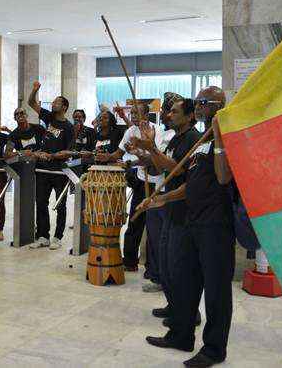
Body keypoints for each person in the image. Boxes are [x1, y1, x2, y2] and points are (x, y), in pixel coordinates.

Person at [143, 86, 234, 368]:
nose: (198, 106)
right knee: (185, 280)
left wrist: (219, 133)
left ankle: (214, 349)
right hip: (193, 220)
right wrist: (163, 198)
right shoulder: (200, 142)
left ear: (218, 105)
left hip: (216, 225)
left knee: (217, 291)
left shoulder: (225, 135)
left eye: (203, 102)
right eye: (198, 102)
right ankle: (181, 335)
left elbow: (222, 177)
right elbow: (190, 183)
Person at [134, 98, 203, 325]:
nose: (168, 115)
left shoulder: (193, 139)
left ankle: (189, 313)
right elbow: (161, 165)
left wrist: (152, 147)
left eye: (174, 112)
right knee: (166, 263)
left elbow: (179, 169)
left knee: (179, 265)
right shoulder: (176, 138)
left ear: (190, 116)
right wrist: (148, 151)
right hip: (168, 210)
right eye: (169, 111)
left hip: (183, 211)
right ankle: (175, 305)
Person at [98, 102, 167, 272]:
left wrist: (140, 151)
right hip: (140, 179)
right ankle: (129, 261)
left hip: (155, 182)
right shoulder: (130, 131)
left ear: (146, 115)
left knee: (153, 227)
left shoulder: (157, 130)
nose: (133, 116)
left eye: (137, 113)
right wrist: (106, 157)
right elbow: (118, 153)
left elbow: (155, 156)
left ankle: (153, 267)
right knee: (135, 221)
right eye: (132, 113)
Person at [27, 81, 74, 250]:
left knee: (60, 204)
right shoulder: (48, 117)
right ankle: (43, 236)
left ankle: (57, 236)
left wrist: (51, 155)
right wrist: (34, 90)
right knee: (41, 202)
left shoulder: (69, 127)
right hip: (42, 169)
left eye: (57, 102)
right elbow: (31, 103)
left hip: (59, 171)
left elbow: (68, 152)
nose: (53, 103)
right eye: (53, 102)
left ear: (64, 107)